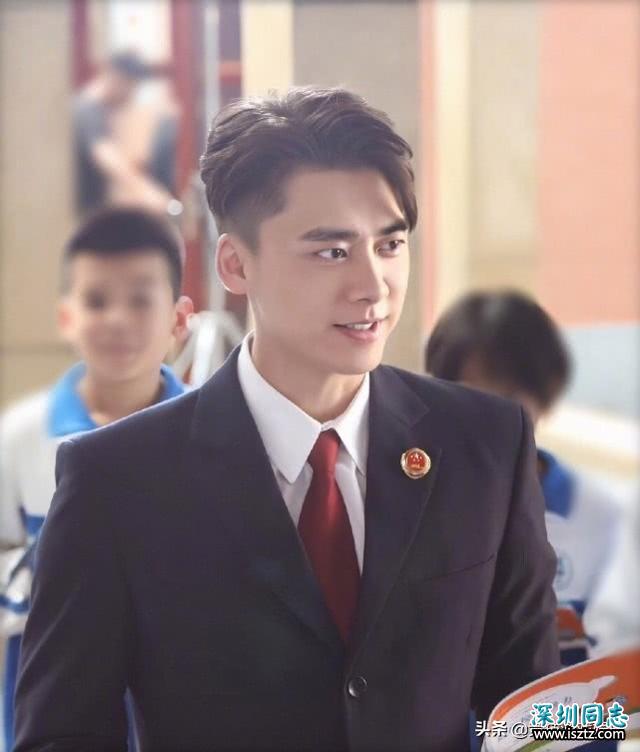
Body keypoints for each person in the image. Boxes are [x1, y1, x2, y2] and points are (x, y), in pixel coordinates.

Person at [15, 87, 559, 752]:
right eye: (331, 252)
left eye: (390, 244)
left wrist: (615, 720)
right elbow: (61, 736)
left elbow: (536, 710)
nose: (373, 286)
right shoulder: (117, 480)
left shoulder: (485, 443)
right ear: (236, 264)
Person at [1, 206, 192, 751]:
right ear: (67, 318)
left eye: (140, 300)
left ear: (179, 319)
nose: (117, 320)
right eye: (96, 301)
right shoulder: (20, 438)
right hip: (48, 705)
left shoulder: (213, 433)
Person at [424, 290, 622, 666]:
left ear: (547, 392)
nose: (489, 419)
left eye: (508, 399)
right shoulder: (415, 508)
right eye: (469, 397)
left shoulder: (600, 518)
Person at [73, 51, 177, 217]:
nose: (131, 95)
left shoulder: (99, 111)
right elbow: (104, 155)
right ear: (116, 78)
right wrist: (146, 191)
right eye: (131, 86)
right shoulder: (86, 110)